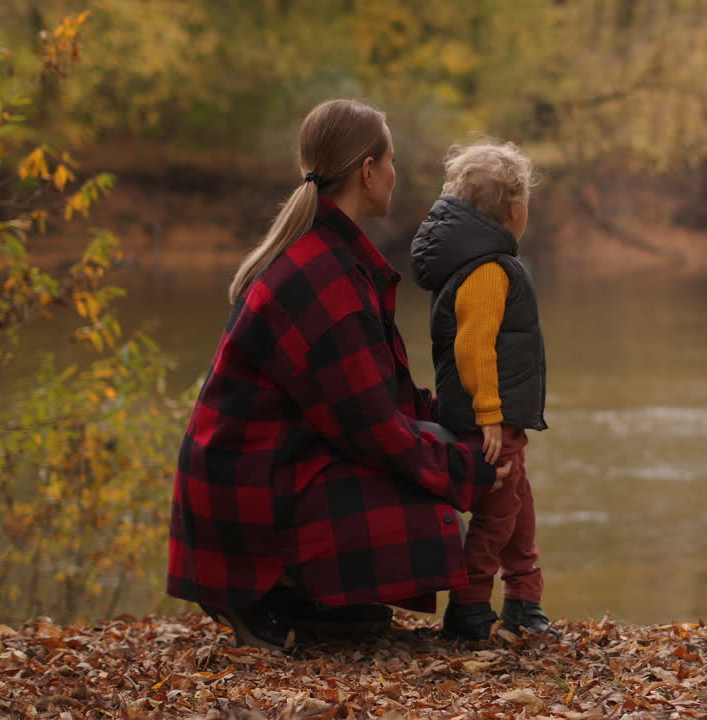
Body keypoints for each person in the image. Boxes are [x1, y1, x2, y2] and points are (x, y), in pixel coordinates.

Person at [167, 99, 507, 651]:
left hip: (258, 478)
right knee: (432, 515)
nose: (396, 173)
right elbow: (374, 428)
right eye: (391, 159)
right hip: (245, 501)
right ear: (367, 171)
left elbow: (388, 395)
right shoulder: (322, 275)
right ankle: (261, 592)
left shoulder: (332, 257)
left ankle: (309, 596)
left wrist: (464, 423)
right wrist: (467, 472)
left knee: (433, 460)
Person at [409, 139, 552, 640]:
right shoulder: (489, 270)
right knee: (497, 514)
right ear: (515, 210)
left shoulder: (476, 264)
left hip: (497, 418)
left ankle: (524, 598)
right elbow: (474, 344)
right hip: (487, 421)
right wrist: (489, 412)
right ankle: (469, 608)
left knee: (518, 506)